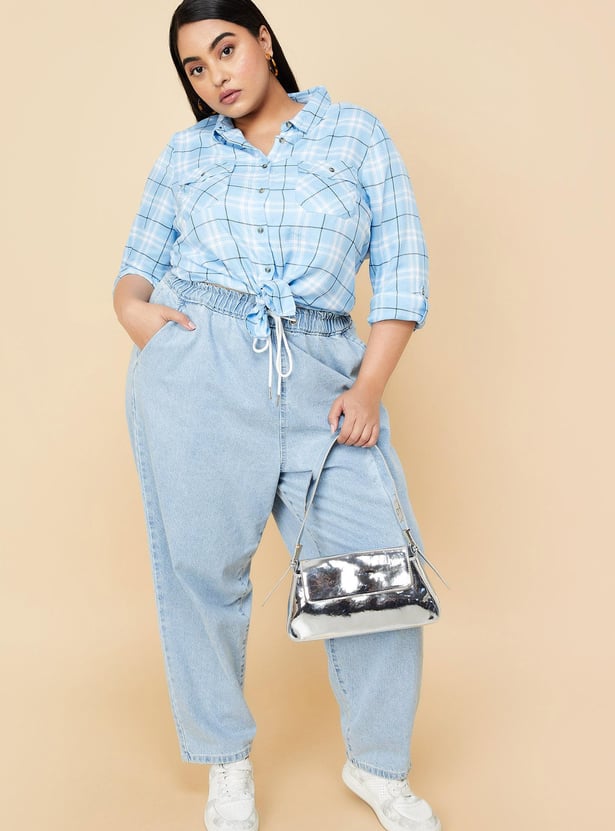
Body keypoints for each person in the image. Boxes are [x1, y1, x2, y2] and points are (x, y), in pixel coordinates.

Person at [112, 2, 440, 830]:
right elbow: (134, 272)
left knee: (368, 572)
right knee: (202, 576)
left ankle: (377, 765)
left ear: (263, 41)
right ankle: (226, 759)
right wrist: (140, 320)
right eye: (195, 67)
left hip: (324, 370)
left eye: (226, 49)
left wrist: (367, 388)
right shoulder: (186, 154)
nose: (215, 75)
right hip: (202, 374)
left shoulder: (353, 134)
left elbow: (401, 270)